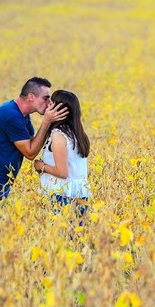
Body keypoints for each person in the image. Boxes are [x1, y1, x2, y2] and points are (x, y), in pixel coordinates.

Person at [0, 77, 68, 199]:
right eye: (46, 98)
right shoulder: (11, 116)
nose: (49, 103)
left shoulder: (21, 114)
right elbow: (30, 153)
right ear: (31, 97)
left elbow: (33, 143)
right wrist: (46, 122)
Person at [34, 90, 91, 219]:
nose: (47, 105)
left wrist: (41, 166)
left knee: (59, 236)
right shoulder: (78, 134)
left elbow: (63, 172)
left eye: (51, 103)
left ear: (58, 109)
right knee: (76, 236)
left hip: (60, 195)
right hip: (80, 195)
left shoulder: (59, 135)